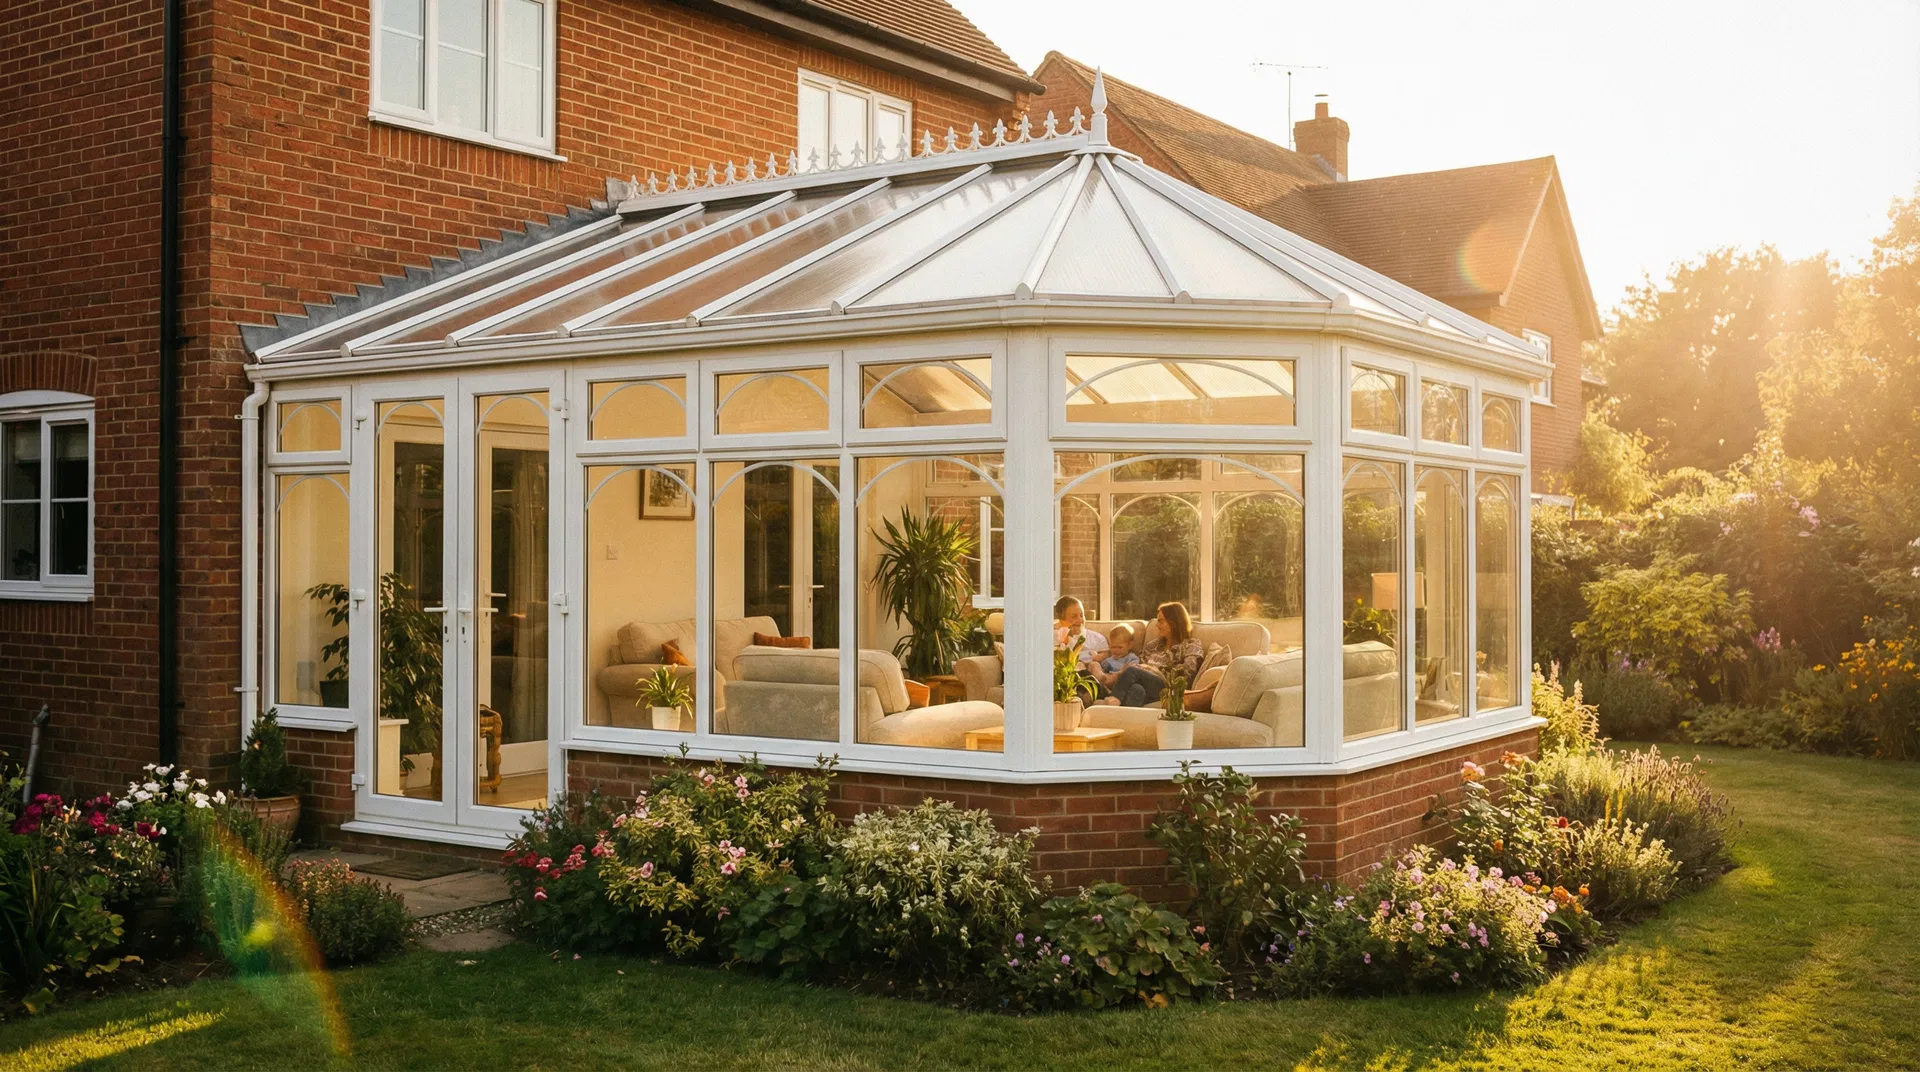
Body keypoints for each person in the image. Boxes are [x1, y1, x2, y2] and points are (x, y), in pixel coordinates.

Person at [1104, 602, 1204, 708]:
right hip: (1147, 686)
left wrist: (1155, 671)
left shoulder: (1190, 644)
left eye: (1161, 621)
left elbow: (1188, 672)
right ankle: (1123, 716)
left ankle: (1113, 699)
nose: (1157, 625)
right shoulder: (1153, 646)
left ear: (1173, 622)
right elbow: (1141, 666)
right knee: (1137, 690)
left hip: (1167, 687)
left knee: (1131, 670)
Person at [1052, 595, 1107, 671]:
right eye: (1074, 616)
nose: (1080, 620)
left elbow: (1107, 658)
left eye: (1082, 615)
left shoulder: (1097, 638)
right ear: (1062, 618)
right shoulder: (1052, 638)